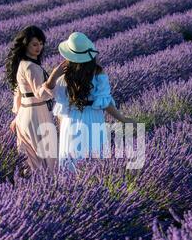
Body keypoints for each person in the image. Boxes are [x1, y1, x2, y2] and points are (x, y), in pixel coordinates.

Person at [43, 31, 137, 172]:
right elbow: (105, 103)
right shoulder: (98, 73)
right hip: (93, 118)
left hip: (70, 120)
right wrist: (123, 119)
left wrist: (54, 76)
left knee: (71, 163)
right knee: (95, 161)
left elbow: (57, 102)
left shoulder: (64, 75)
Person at [6, 25, 66, 176]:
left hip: (25, 115)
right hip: (37, 115)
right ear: (26, 45)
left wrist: (17, 117)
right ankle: (49, 190)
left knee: (31, 160)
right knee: (47, 158)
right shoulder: (31, 67)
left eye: (41, 43)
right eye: (34, 44)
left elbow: (18, 94)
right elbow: (41, 94)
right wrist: (54, 75)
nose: (39, 47)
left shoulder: (22, 65)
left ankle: (31, 191)